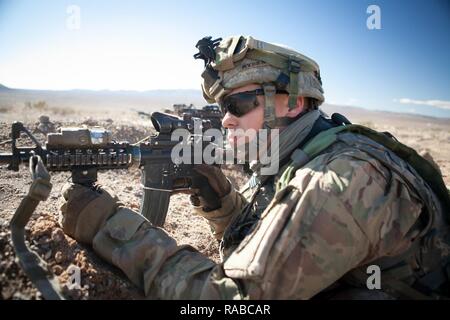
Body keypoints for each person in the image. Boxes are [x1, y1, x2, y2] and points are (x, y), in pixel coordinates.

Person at [60, 35, 450, 299]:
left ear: (295, 102)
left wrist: (110, 226)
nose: (226, 119)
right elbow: (270, 239)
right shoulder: (296, 154)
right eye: (220, 107)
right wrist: (221, 204)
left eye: (238, 104)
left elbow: (238, 301)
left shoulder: (337, 182)